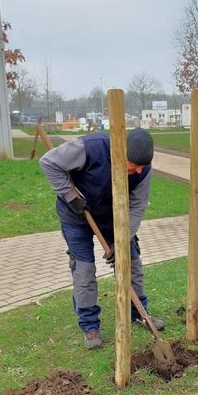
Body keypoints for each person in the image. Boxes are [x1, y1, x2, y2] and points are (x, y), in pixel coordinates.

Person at [40, 128, 164, 349]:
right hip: (76, 215)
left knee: (131, 263)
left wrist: (123, 239)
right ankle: (90, 326)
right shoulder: (91, 148)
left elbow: (137, 206)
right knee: (84, 269)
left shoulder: (142, 170)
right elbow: (49, 163)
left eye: (141, 167)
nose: (137, 171)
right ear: (120, 151)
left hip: (114, 217)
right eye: (133, 165)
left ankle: (139, 313)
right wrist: (70, 197)